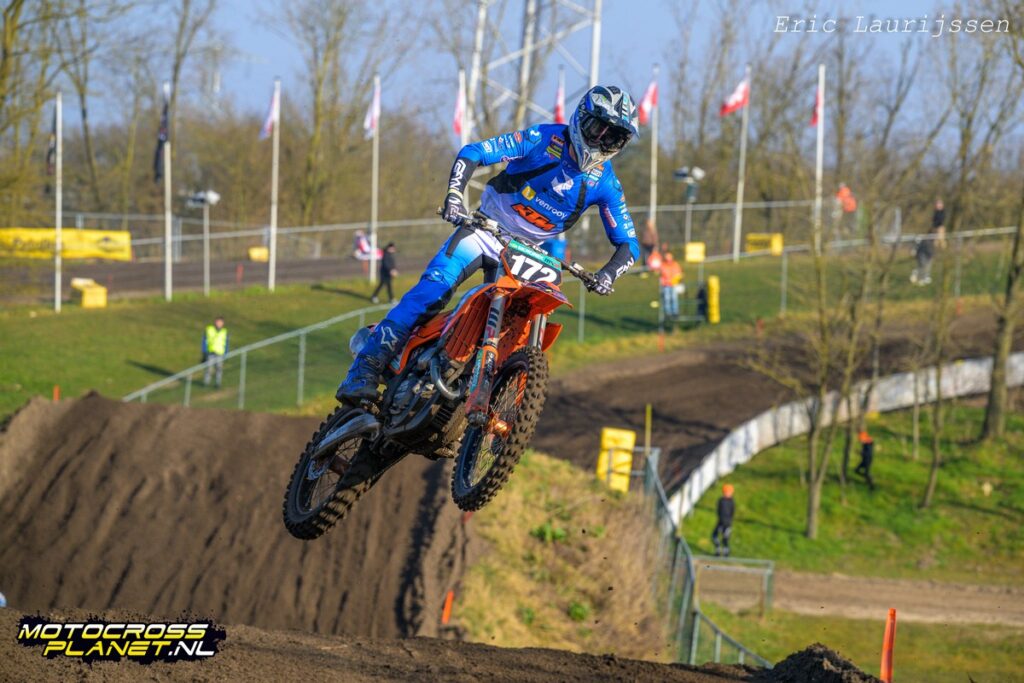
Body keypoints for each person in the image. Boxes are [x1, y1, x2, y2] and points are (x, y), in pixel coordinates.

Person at [337, 85, 641, 402]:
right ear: (581, 118)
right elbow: (475, 152)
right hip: (486, 230)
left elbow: (629, 244)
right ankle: (363, 371)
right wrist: (455, 195)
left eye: (614, 137)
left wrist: (608, 274)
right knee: (432, 291)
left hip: (531, 254)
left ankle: (478, 399)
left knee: (518, 325)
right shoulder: (543, 138)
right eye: (598, 129)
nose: (602, 141)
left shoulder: (606, 183)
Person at [911, 199, 945, 286]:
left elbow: (940, 223)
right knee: (923, 264)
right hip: (930, 241)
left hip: (938, 229)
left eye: (939, 204)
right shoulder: (935, 213)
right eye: (937, 204)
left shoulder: (942, 213)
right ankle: (921, 277)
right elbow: (934, 223)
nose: (938, 206)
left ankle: (924, 277)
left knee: (927, 263)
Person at [202, 316, 229, 388]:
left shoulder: (224, 331)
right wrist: (204, 351)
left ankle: (218, 383)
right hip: (210, 352)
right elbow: (204, 341)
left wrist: (226, 353)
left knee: (219, 369)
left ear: (223, 323)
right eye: (217, 322)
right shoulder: (209, 329)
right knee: (209, 368)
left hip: (220, 353)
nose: (219, 324)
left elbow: (226, 343)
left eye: (220, 322)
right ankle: (206, 383)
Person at [659, 250, 683, 322]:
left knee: (674, 298)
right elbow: (661, 275)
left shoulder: (675, 264)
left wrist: (677, 280)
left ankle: (675, 313)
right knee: (667, 298)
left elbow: (679, 273)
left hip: (674, 285)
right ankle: (668, 313)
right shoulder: (663, 265)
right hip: (666, 285)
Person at [712, 483, 735, 557]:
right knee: (715, 536)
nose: (727, 494)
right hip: (721, 522)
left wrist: (728, 523)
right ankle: (718, 550)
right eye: (726, 492)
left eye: (729, 492)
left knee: (725, 538)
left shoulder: (731, 502)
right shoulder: (721, 500)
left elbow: (732, 513)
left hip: (727, 523)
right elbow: (719, 511)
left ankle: (726, 553)